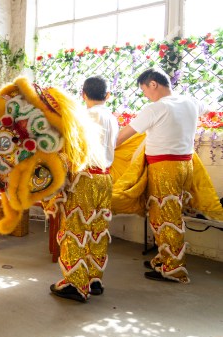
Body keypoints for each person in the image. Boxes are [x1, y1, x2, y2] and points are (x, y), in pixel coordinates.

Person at [116, 68, 206, 283]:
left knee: (166, 217)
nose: (145, 94)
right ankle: (165, 258)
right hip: (185, 166)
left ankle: (174, 268)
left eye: (144, 89)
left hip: (165, 168)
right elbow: (202, 109)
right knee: (170, 215)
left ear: (153, 84)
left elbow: (123, 136)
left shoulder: (155, 108)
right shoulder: (191, 102)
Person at [47, 76, 118, 302]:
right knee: (97, 230)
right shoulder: (112, 118)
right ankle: (94, 279)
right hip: (105, 179)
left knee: (74, 230)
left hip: (84, 179)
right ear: (107, 96)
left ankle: (75, 284)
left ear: (83, 94)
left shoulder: (82, 118)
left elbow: (69, 152)